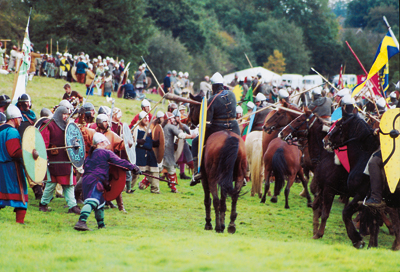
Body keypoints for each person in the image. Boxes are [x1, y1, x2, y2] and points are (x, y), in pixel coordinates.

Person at [74, 132, 140, 231]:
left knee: (99, 203)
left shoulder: (90, 156)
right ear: (100, 143)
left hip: (86, 180)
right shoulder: (106, 153)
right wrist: (133, 167)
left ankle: (101, 225)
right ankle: (81, 222)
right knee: (91, 202)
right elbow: (120, 162)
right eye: (105, 142)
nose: (107, 144)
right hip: (95, 180)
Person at [190, 72, 240, 186]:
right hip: (234, 128)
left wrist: (202, 129)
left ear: (213, 86)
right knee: (240, 145)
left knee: (196, 142)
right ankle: (243, 172)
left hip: (218, 128)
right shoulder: (232, 95)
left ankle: (197, 172)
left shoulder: (212, 99)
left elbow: (207, 122)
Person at [38, 106, 81, 214]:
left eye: (67, 114)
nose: (66, 116)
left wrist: (76, 143)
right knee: (51, 183)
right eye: (64, 114)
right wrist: (45, 158)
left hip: (67, 159)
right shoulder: (49, 125)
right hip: (54, 160)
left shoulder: (68, 126)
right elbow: (43, 143)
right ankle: (43, 204)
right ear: (58, 114)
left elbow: (74, 138)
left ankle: (72, 206)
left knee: (69, 183)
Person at [0, 105, 28, 224]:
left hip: (1, 167)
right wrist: (28, 152)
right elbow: (14, 152)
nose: (20, 121)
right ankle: (20, 222)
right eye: (19, 119)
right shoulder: (12, 131)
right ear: (13, 118)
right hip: (11, 168)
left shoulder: (0, 130)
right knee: (22, 195)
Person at [163, 112, 195, 192]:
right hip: (165, 152)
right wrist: (191, 136)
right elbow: (180, 135)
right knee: (157, 170)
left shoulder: (164, 126)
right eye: (173, 118)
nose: (174, 119)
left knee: (171, 170)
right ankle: (144, 183)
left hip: (166, 152)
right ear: (169, 119)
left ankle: (173, 188)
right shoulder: (170, 127)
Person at [133, 112, 161, 193]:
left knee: (154, 171)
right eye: (144, 118)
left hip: (149, 153)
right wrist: (138, 141)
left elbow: (150, 141)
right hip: (139, 152)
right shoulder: (136, 128)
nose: (146, 120)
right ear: (140, 119)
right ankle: (128, 187)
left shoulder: (148, 129)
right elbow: (131, 140)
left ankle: (155, 189)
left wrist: (155, 142)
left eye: (147, 118)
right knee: (135, 172)